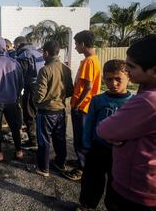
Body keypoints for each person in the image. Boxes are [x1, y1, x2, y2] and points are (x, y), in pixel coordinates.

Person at [97, 35, 156, 211]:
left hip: (137, 188)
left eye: (131, 66)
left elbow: (104, 129)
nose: (127, 70)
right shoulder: (146, 90)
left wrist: (120, 136)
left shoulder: (148, 100)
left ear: (153, 70)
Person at [78, 60, 133, 210]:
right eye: (109, 79)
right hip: (97, 149)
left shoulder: (133, 103)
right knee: (91, 180)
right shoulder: (98, 100)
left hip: (121, 153)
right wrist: (87, 145)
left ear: (129, 78)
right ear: (104, 79)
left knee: (116, 185)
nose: (113, 83)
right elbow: (89, 123)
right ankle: (86, 206)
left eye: (118, 79)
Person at [26, 41, 73, 177]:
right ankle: (60, 163)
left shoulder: (45, 70)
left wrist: (35, 102)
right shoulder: (66, 69)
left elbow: (40, 94)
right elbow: (70, 90)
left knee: (44, 140)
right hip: (60, 111)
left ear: (46, 53)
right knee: (60, 139)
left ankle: (43, 168)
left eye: (43, 53)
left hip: (46, 112)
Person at [63, 30, 101, 181]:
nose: (76, 47)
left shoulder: (88, 61)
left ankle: (82, 168)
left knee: (81, 138)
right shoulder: (93, 59)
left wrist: (77, 104)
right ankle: (81, 162)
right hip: (87, 105)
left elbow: (88, 87)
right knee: (83, 137)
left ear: (83, 44)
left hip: (83, 106)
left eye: (77, 44)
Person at [15, 37, 45, 150]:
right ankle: (40, 139)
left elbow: (20, 76)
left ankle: (33, 141)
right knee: (38, 113)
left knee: (29, 114)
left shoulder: (24, 55)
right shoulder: (38, 52)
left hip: (30, 88)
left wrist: (17, 91)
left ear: (18, 44)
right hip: (42, 87)